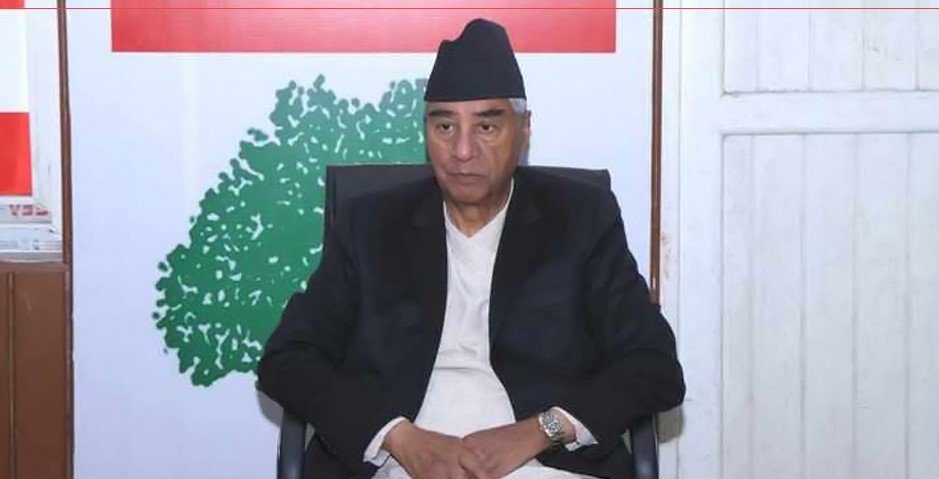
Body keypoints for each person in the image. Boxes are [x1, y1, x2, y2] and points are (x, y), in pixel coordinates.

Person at [258, 18, 684, 479]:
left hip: (543, 465)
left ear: (523, 129)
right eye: (445, 125)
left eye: (486, 126)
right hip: (399, 465)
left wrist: (538, 431)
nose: (462, 150)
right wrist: (398, 438)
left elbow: (654, 366)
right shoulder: (371, 225)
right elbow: (288, 360)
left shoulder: (580, 219)